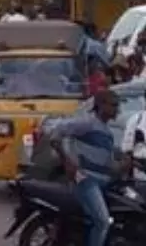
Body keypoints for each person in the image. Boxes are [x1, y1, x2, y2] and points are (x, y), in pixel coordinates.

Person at [49, 88, 134, 246]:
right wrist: (66, 159)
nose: (117, 110)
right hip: (86, 181)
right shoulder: (87, 123)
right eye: (113, 105)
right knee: (103, 221)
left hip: (102, 182)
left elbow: (107, 166)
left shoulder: (107, 133)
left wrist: (124, 165)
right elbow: (56, 131)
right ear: (101, 105)